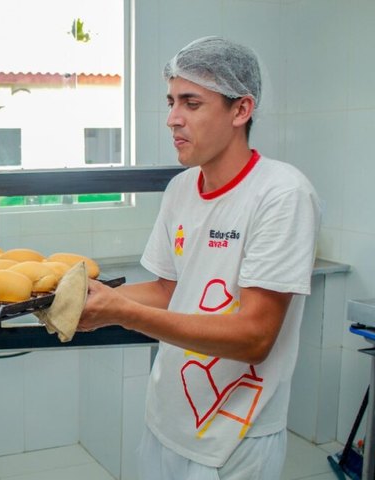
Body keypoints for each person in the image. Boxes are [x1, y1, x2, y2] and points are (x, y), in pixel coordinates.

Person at [78, 36, 321, 480]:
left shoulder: (281, 194)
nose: (172, 118)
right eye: (171, 102)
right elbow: (167, 291)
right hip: (167, 418)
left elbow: (255, 336)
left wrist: (121, 312)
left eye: (191, 103)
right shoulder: (181, 189)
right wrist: (84, 298)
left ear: (241, 110)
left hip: (235, 436)